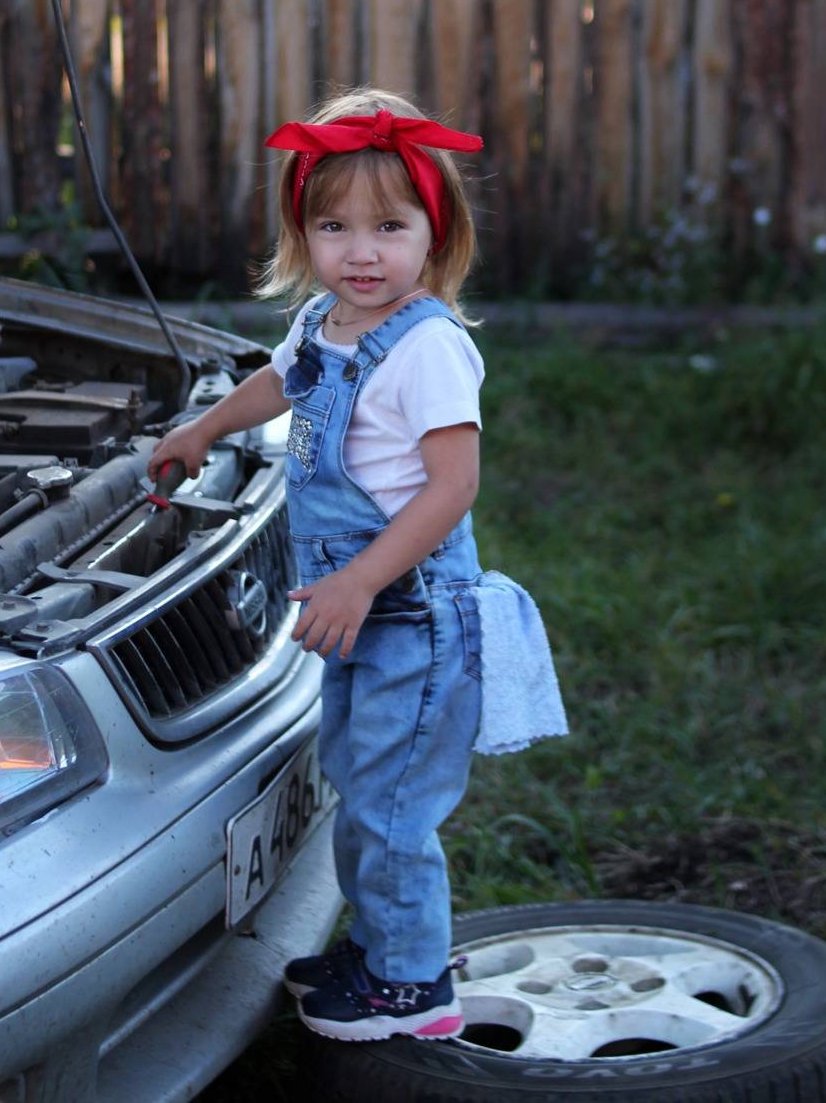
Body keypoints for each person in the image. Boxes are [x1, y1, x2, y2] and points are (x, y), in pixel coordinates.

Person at [149, 88, 568, 1042]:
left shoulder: (427, 348)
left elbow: (452, 487)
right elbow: (278, 381)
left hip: (412, 617)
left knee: (391, 807)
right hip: (363, 614)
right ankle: (382, 950)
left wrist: (360, 579)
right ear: (302, 233)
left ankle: (413, 987)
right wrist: (206, 427)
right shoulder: (321, 323)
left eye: (389, 226)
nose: (361, 252)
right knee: (357, 780)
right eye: (333, 226)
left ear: (435, 232)